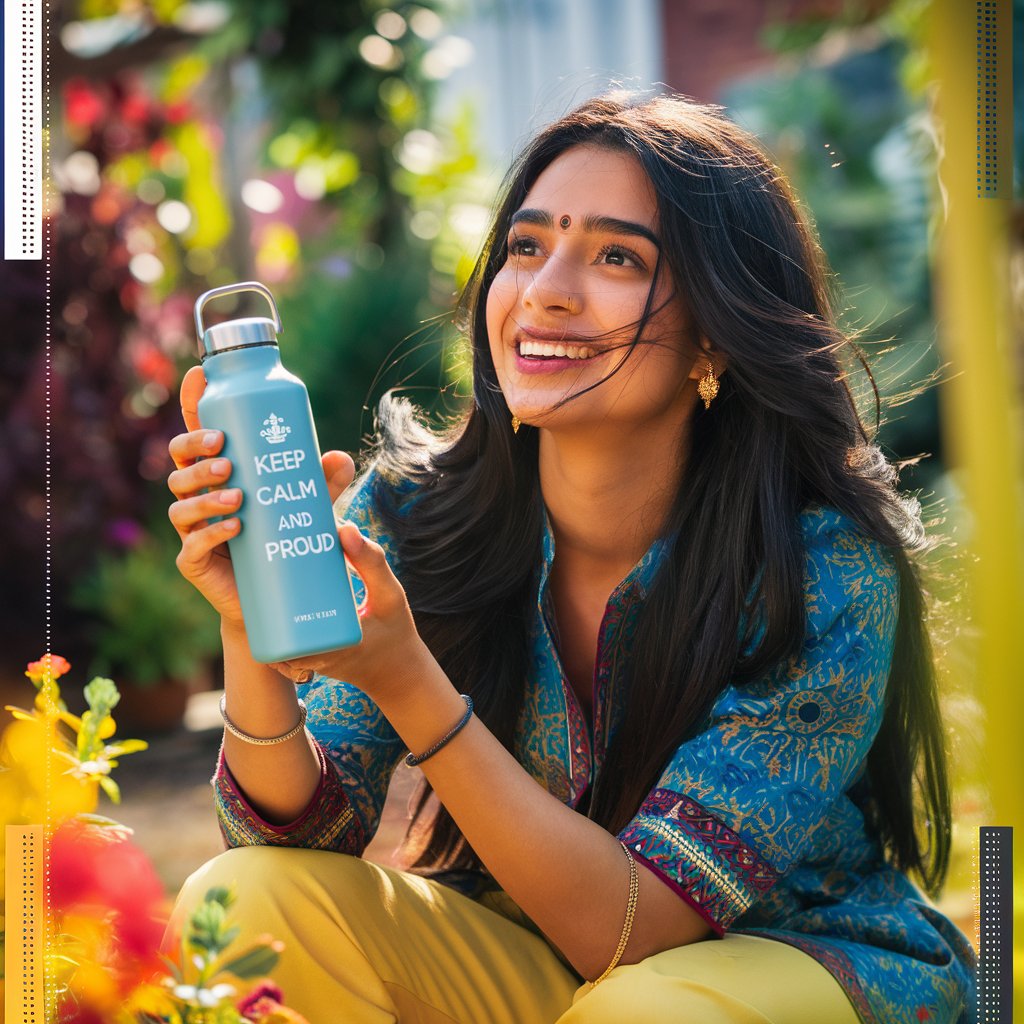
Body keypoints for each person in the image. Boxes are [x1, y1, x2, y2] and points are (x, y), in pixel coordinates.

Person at [165, 91, 976, 1023]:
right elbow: (298, 833)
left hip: (793, 967)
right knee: (247, 907)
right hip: (547, 969)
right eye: (526, 245)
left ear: (716, 328)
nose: (546, 288)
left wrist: (408, 680)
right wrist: (248, 621)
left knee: (645, 1010)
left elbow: (638, 931)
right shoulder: (416, 518)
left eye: (617, 256)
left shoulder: (822, 568)